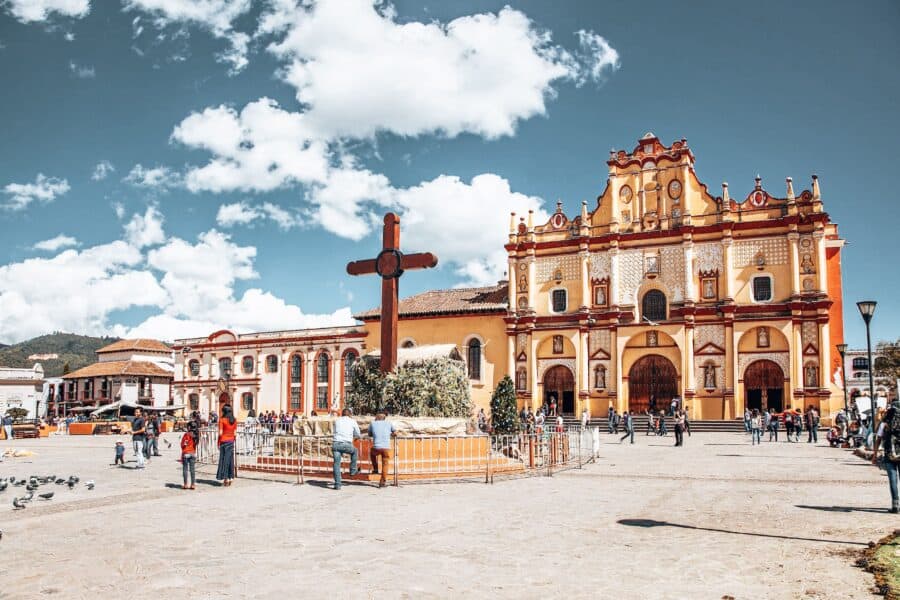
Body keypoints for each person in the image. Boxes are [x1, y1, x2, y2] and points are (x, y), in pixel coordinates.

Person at [872, 400, 900, 513]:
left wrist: (875, 454)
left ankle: (895, 506)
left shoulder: (884, 422)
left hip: (889, 454)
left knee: (893, 480)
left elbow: (878, 439)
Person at [332, 408, 361, 490]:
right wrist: (355, 436)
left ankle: (337, 484)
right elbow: (358, 434)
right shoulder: (352, 421)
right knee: (355, 451)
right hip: (346, 444)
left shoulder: (337, 420)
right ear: (350, 414)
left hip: (336, 443)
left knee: (336, 464)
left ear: (342, 414)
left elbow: (334, 432)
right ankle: (352, 470)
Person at [216, 404, 237, 487]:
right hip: (231, 441)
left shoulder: (222, 420)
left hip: (224, 441)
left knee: (224, 459)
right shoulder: (234, 420)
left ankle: (226, 478)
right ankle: (231, 477)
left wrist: (218, 442)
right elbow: (235, 433)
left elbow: (220, 433)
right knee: (230, 459)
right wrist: (233, 439)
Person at [181, 422, 198, 490]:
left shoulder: (186, 434)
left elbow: (183, 444)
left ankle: (185, 484)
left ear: (189, 427)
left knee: (185, 469)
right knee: (192, 469)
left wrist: (184, 445)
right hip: (193, 453)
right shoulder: (196, 435)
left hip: (186, 453)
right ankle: (193, 484)